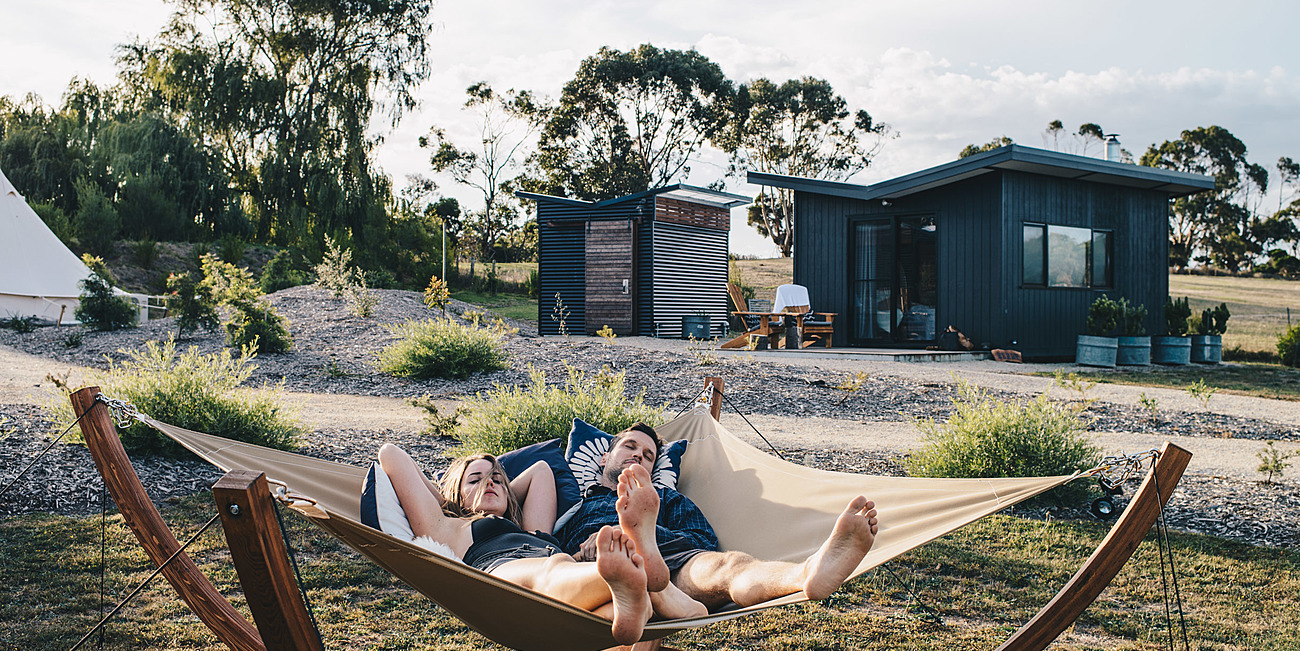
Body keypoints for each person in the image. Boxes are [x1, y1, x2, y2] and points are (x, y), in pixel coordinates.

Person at [377, 444, 704, 644]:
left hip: (564, 568)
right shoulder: (445, 526)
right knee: (555, 570)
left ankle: (636, 595)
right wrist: (449, 500)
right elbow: (391, 454)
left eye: (496, 478)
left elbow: (541, 471)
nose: (489, 481)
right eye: (475, 479)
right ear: (453, 495)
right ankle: (644, 574)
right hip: (508, 574)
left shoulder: (530, 527)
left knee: (625, 605)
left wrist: (497, 491)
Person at [555, 423, 880, 610]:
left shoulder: (665, 498)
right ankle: (641, 557)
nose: (639, 455)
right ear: (603, 458)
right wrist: (581, 551)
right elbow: (546, 556)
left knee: (729, 566)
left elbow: (704, 542)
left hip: (673, 566)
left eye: (649, 456)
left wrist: (650, 533)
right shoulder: (575, 504)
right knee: (619, 604)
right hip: (595, 572)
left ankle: (807, 574)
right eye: (630, 447)